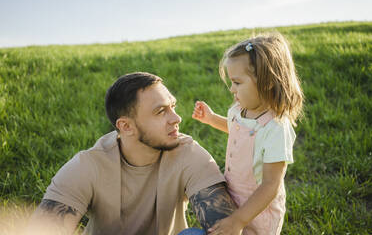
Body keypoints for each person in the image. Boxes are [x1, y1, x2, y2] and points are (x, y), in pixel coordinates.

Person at [27, 72, 236, 235]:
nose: (176, 118)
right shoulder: (87, 165)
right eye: (161, 111)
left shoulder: (189, 153)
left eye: (173, 106)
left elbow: (224, 225)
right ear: (126, 126)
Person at [192, 32, 304, 235]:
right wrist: (211, 119)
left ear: (266, 81)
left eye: (238, 82)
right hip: (233, 195)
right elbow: (237, 130)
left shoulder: (275, 128)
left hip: (258, 208)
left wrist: (239, 219)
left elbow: (271, 185)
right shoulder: (238, 110)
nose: (232, 89)